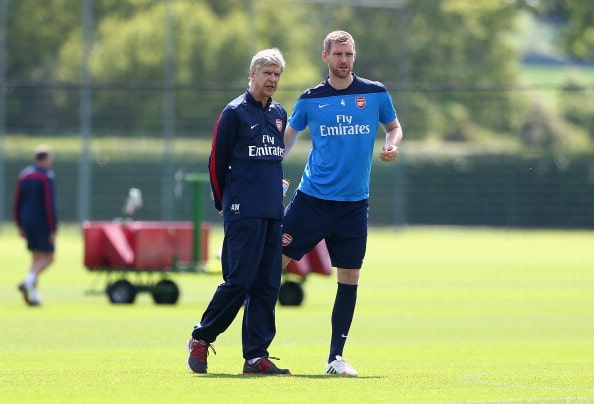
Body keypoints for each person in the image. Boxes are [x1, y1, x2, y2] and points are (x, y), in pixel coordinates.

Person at [281, 30, 403, 376]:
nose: (344, 60)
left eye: (349, 54)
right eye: (337, 54)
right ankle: (256, 348)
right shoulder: (310, 99)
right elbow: (286, 140)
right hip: (312, 200)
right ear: (326, 57)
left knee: (350, 276)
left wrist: (393, 144)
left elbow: (394, 127)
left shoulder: (375, 93)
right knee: (272, 265)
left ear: (355, 55)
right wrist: (270, 171)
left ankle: (336, 357)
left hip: (353, 205)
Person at [187, 48, 291, 375]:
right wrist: (225, 203)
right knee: (239, 281)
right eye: (267, 73)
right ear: (252, 73)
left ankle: (256, 356)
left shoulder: (279, 113)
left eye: (277, 74)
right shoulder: (234, 112)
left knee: (267, 285)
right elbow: (216, 162)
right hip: (243, 210)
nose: (272, 79)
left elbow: (271, 160)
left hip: (272, 211)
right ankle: (201, 337)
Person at [13, 146, 58, 306]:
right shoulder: (46, 177)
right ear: (45, 159)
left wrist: (19, 224)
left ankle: (35, 296)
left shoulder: (24, 175)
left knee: (36, 258)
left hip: (27, 221)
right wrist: (53, 228)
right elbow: (49, 204)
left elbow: (17, 202)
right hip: (43, 222)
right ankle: (27, 282)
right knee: (49, 258)